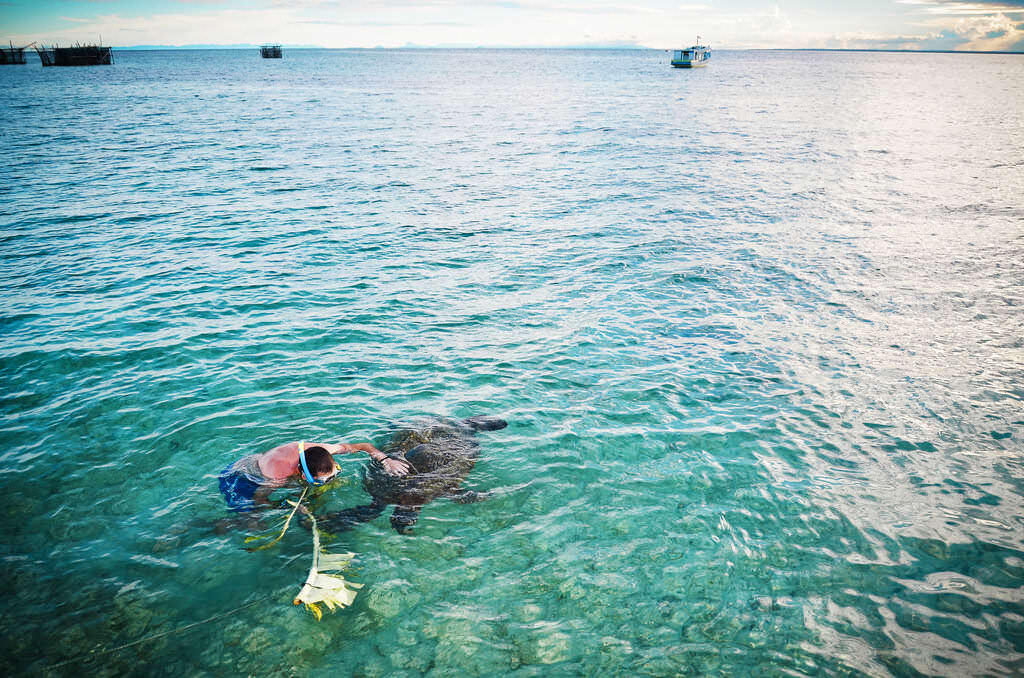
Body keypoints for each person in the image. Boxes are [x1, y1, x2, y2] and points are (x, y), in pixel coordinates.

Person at [219, 439, 410, 512]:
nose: (330, 481)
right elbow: (260, 499)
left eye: (333, 473)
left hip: (273, 465)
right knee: (251, 520)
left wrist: (386, 460)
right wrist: (288, 506)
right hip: (244, 476)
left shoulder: (324, 450)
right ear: (303, 476)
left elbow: (364, 446)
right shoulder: (278, 477)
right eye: (322, 480)